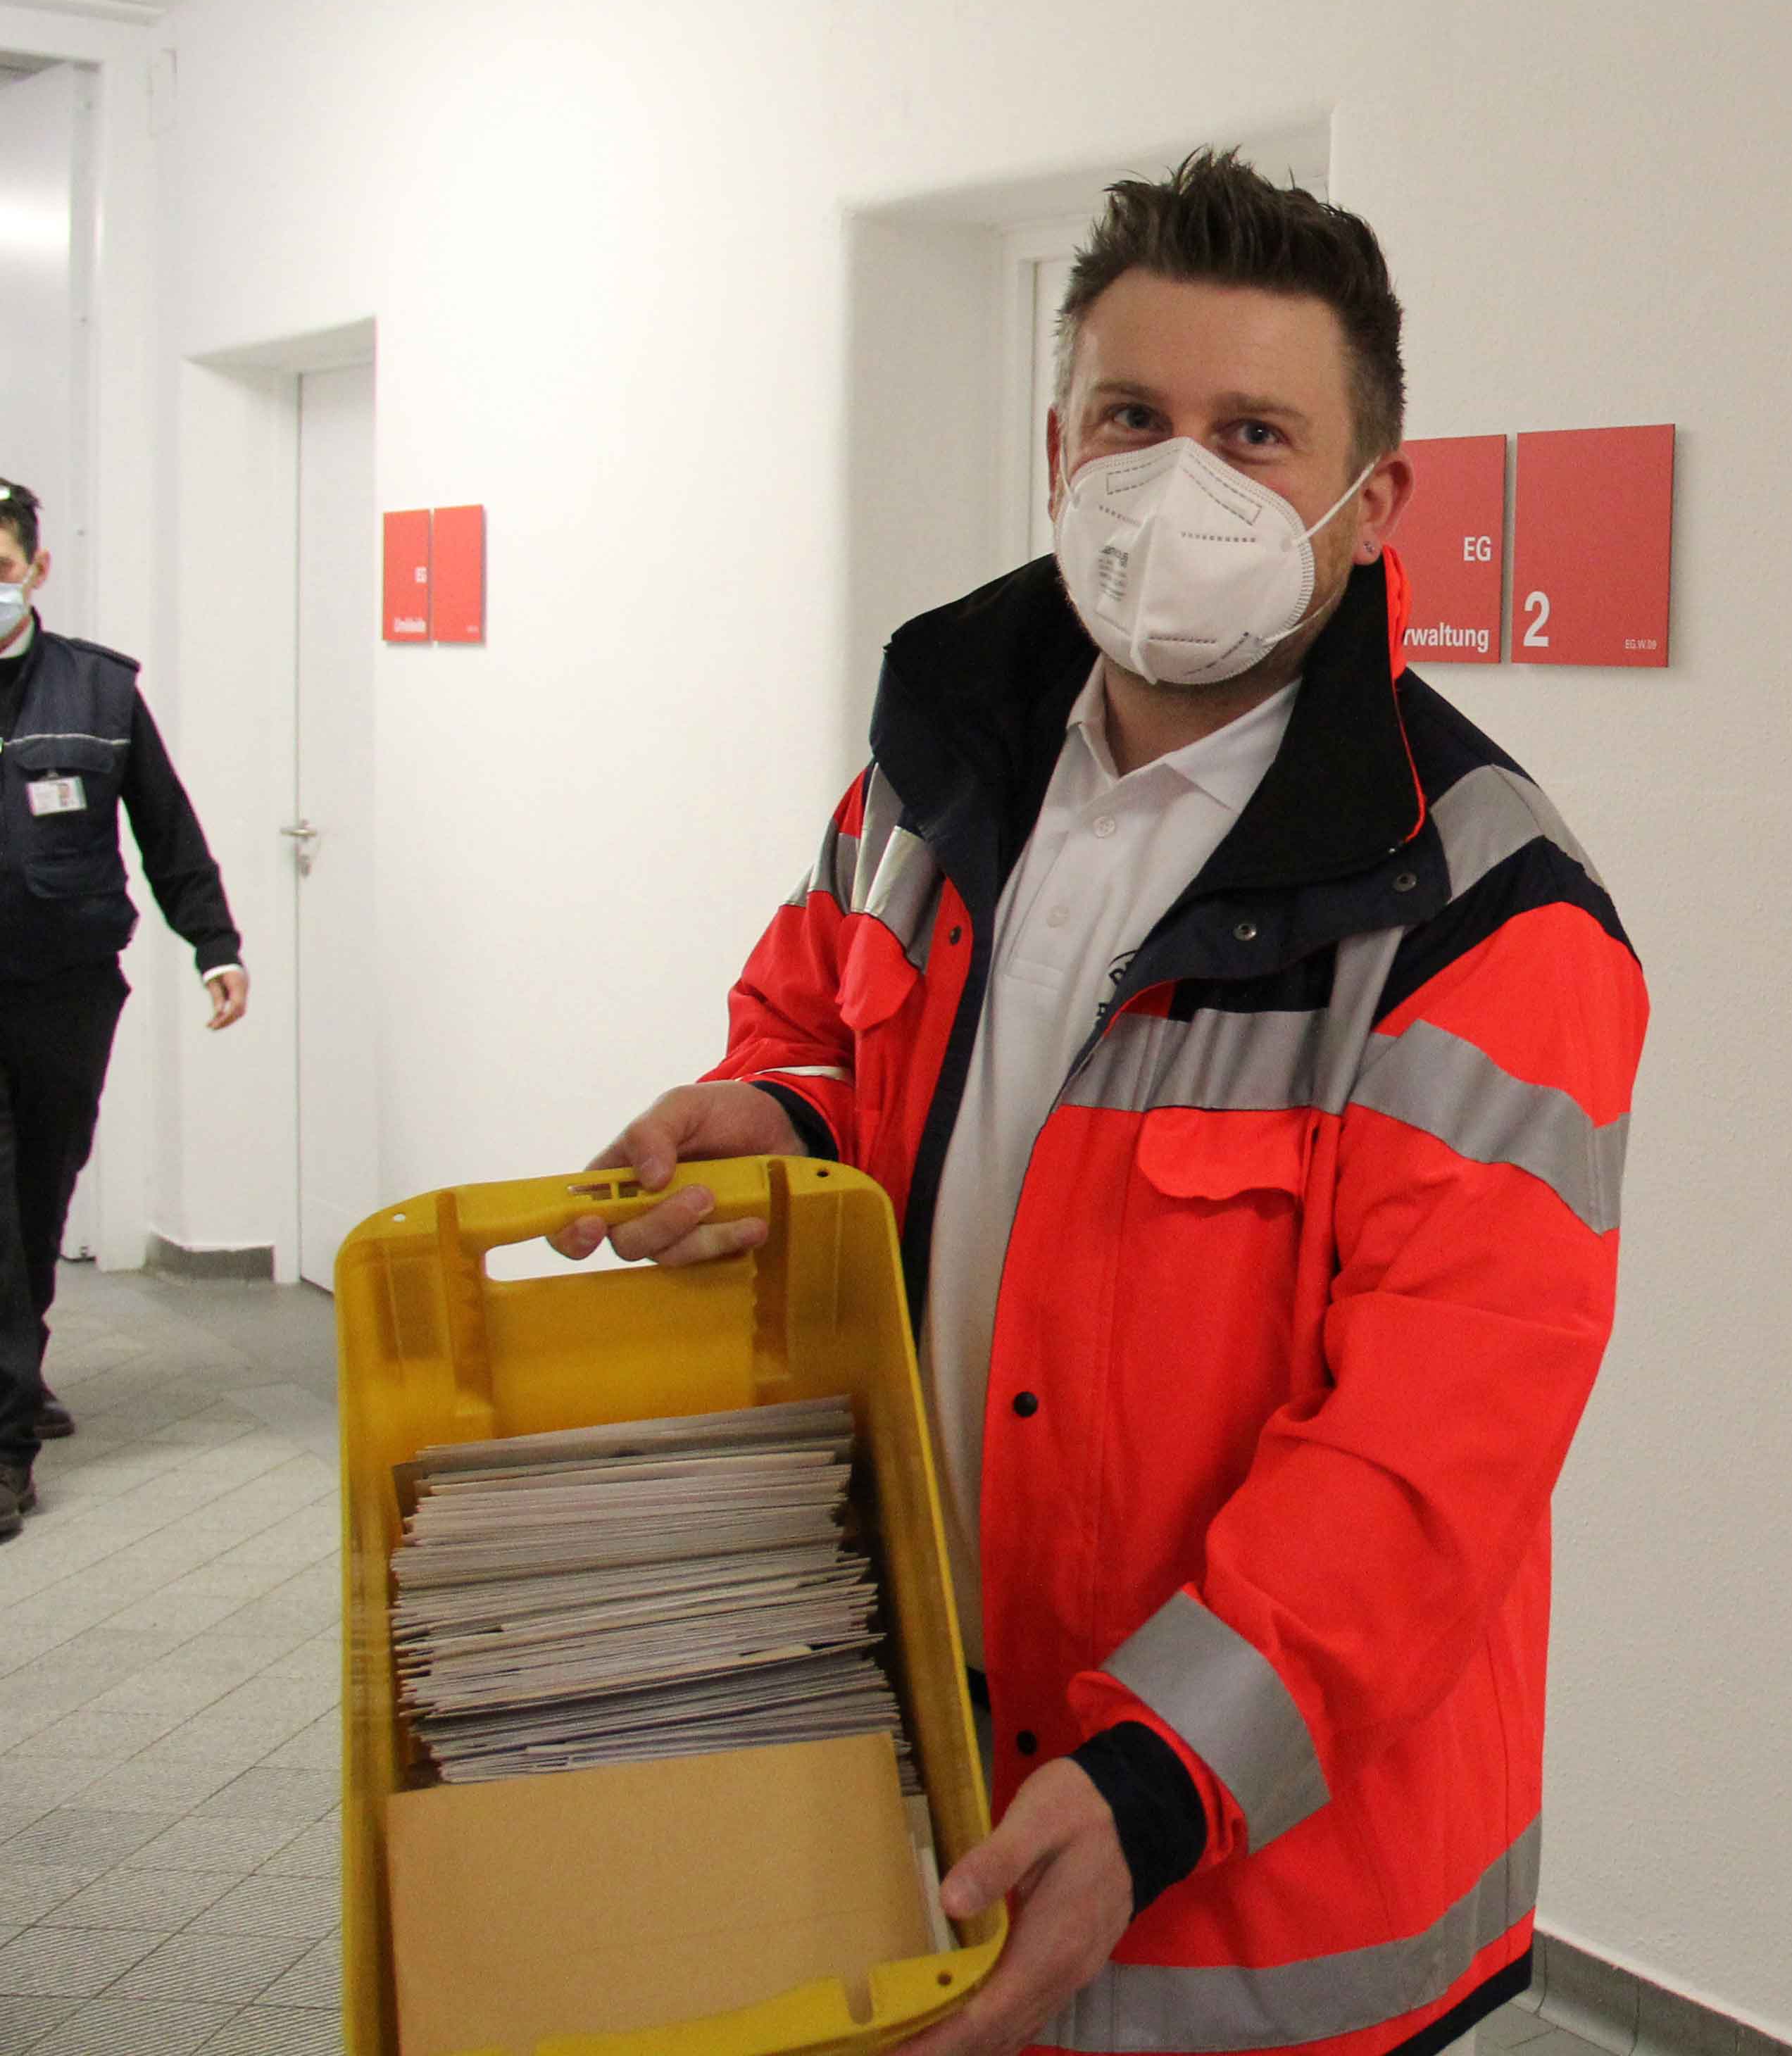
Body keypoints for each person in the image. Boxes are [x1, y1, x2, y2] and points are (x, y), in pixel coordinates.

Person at [564, 155, 1648, 2056]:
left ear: (1374, 504)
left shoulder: (1480, 914)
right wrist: (778, 1129)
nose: (1177, 484)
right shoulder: (933, 776)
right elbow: (818, 1041)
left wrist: (1156, 1786)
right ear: (1058, 447)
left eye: (1255, 436)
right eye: (1135, 420)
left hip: (1266, 1921)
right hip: (929, 1785)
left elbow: (1430, 1455)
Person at [0, 477, 248, 1543]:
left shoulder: (98, 692)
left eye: (1, 567)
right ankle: (5, 1445)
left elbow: (166, 826)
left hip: (66, 988)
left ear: (36, 570)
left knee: (42, 1186)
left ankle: (20, 1363)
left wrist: (214, 944)